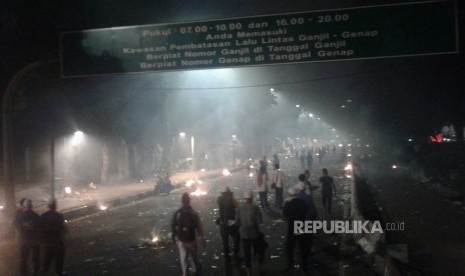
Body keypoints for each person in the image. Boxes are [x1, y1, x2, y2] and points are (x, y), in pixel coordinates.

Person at [171, 192, 206, 276]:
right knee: (193, 257)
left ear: (182, 201)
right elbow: (199, 227)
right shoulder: (193, 213)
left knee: (184, 259)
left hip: (181, 240)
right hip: (191, 240)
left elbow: (173, 226)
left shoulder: (177, 213)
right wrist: (202, 238)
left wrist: (173, 237)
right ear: (189, 201)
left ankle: (185, 274)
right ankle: (195, 269)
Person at [283, 188, 311, 273]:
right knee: (303, 246)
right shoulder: (302, 202)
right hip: (302, 225)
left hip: (292, 226)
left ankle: (290, 265)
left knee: (289, 247)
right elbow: (307, 211)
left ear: (290, 194)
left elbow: (285, 214)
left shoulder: (288, 203)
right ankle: (304, 266)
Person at [236, 191, 264, 275]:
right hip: (254, 233)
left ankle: (249, 272)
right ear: (252, 198)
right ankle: (258, 264)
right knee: (258, 249)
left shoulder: (240, 208)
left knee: (246, 252)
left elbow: (237, 222)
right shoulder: (255, 207)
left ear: (245, 198)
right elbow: (259, 222)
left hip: (244, 233)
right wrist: (261, 231)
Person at [41, 200, 67, 276]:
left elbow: (40, 228)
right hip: (57, 240)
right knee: (59, 258)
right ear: (55, 206)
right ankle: (58, 272)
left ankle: (44, 271)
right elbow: (62, 228)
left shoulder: (44, 215)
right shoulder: (59, 215)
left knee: (47, 257)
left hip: (48, 241)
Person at [14, 199, 41, 276]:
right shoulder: (36, 216)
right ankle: (35, 272)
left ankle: (24, 273)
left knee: (24, 258)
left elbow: (17, 227)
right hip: (34, 241)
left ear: (24, 206)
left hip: (24, 241)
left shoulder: (20, 216)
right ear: (31, 206)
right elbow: (39, 228)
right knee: (35, 257)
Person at [217, 187, 240, 263]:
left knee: (225, 241)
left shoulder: (219, 199)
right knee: (237, 238)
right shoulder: (232, 199)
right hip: (231, 223)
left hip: (223, 223)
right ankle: (235, 253)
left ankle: (227, 257)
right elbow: (238, 207)